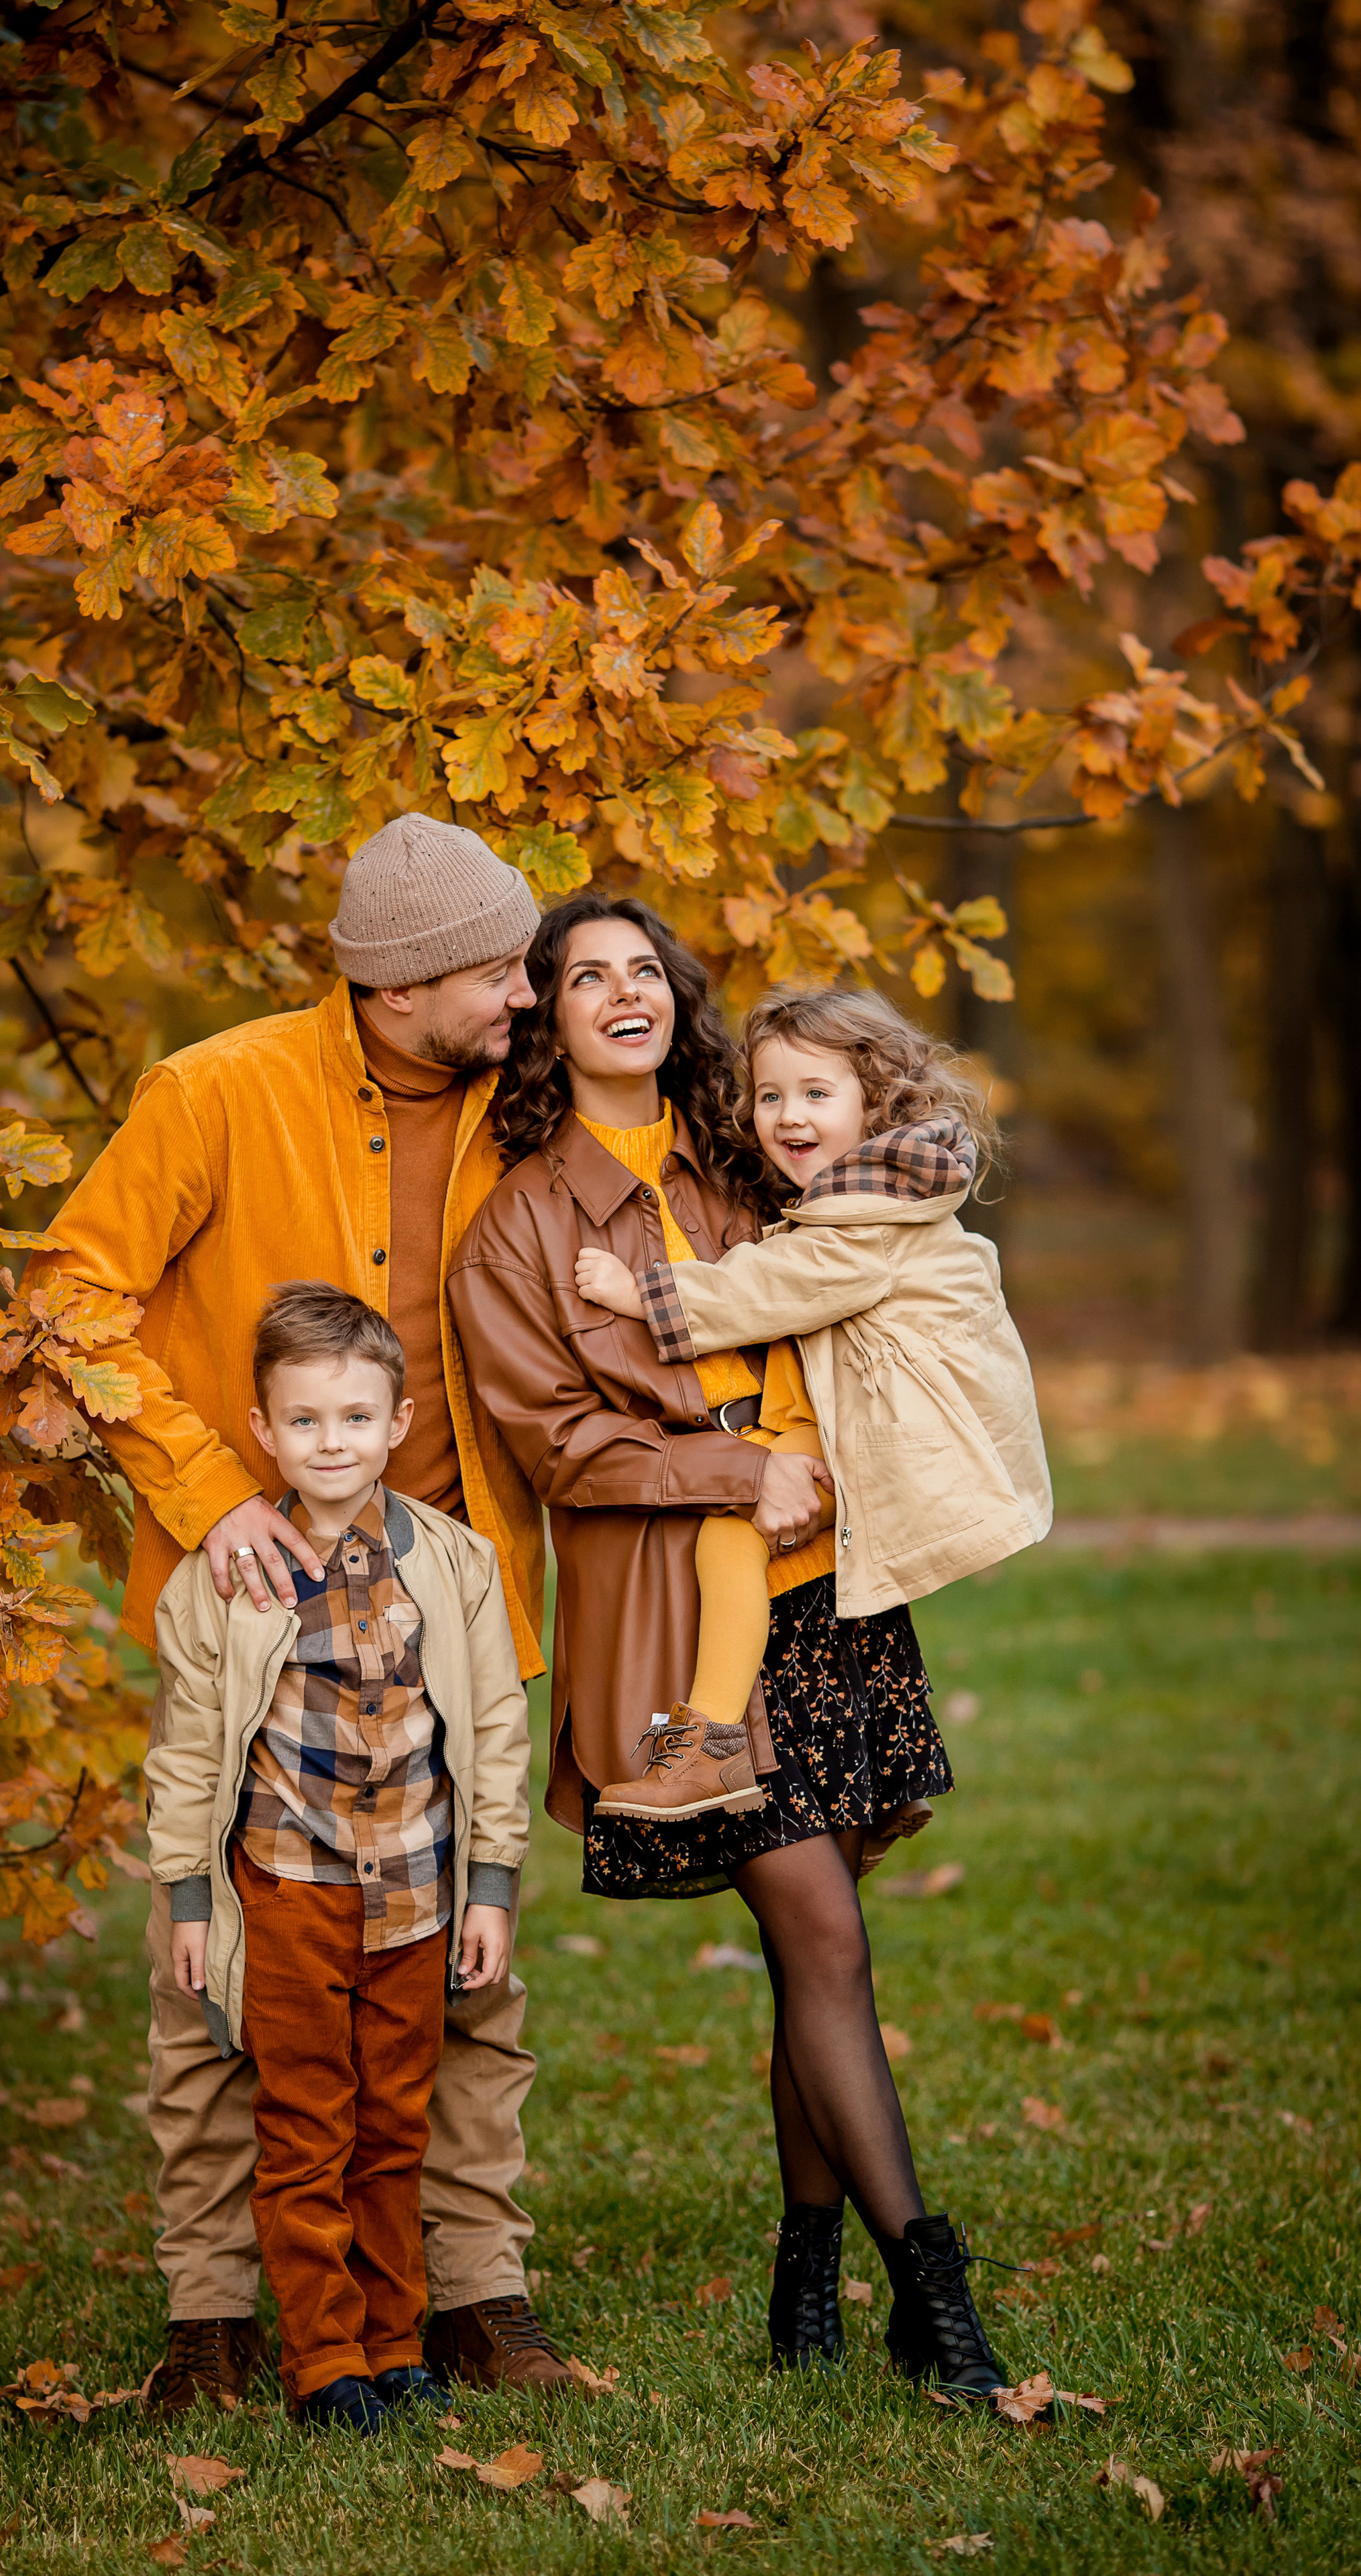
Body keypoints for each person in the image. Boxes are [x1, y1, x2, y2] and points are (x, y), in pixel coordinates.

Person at [36, 812, 581, 2410]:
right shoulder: (214, 1090)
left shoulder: (522, 1106)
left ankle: (474, 2289)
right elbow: (69, 1291)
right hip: (252, 1607)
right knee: (212, 1980)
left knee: (464, 1973)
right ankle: (211, 2314)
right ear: (406, 982)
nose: (523, 995)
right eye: (495, 970)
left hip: (454, 1594)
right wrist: (210, 1496)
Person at [447, 895, 1014, 2403]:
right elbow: (557, 1442)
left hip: (830, 1602)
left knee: (805, 1946)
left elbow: (877, 1246)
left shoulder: (752, 1158)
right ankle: (930, 2296)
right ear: (543, 1017)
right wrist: (732, 1473)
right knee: (822, 1938)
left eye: (643, 970)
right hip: (673, 1625)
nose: (620, 994)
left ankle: (800, 2284)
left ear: (673, 1000)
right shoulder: (515, 1227)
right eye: (584, 977)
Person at [147, 1284, 531, 2434]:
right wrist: (187, 1900)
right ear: (263, 1430)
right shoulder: (224, 1576)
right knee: (308, 2122)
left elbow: (498, 1728)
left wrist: (494, 1885)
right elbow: (183, 1751)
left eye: (356, 1419)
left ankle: (395, 2339)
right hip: (290, 1891)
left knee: (395, 2124)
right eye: (306, 1421)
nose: (332, 1443)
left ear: (399, 1421)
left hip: (417, 1891)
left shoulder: (455, 1564)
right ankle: (324, 2360)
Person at [573, 981, 1052, 1818]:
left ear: (877, 1103)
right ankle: (879, 1773)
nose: (787, 1115)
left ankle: (712, 1744)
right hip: (845, 1419)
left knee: (729, 1536)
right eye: (769, 1096)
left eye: (816, 1094)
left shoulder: (870, 1213)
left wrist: (639, 1291)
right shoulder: (873, 1185)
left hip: (895, 1432)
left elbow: (772, 1287)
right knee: (787, 1560)